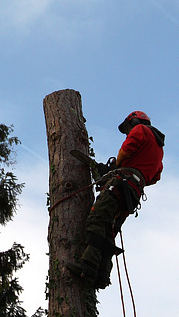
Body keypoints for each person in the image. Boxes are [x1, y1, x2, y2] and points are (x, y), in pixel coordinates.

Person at [68, 111, 165, 289]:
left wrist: (118, 167)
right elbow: (155, 177)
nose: (128, 132)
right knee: (110, 229)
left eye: (128, 127)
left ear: (134, 121)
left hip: (121, 184)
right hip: (133, 193)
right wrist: (137, 175)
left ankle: (88, 265)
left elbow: (127, 149)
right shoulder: (159, 148)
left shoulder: (141, 129)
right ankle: (103, 275)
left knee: (98, 220)